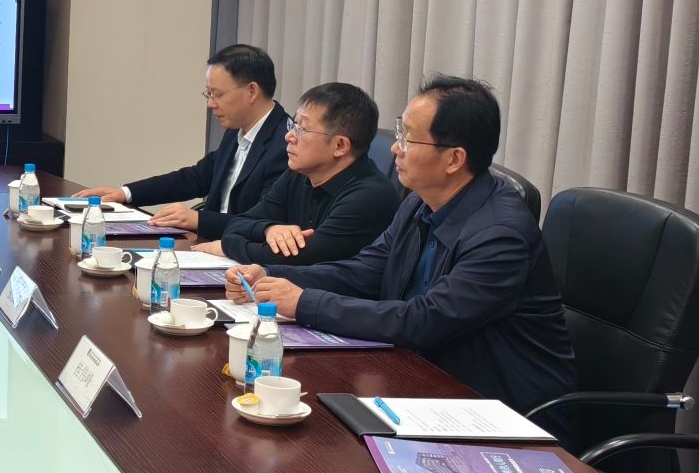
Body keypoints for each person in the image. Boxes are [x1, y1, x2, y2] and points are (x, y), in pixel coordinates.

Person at [227, 76, 575, 414]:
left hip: (498, 408)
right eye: (399, 133)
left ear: (454, 159)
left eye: (408, 139)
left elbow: (425, 320)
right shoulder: (419, 203)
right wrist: (271, 275)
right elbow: (364, 271)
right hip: (423, 381)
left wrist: (304, 302)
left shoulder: (500, 235)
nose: (395, 148)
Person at [77, 44, 289, 239]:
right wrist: (125, 193)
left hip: (242, 256)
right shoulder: (236, 130)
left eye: (217, 94)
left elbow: (263, 223)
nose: (210, 104)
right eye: (208, 94)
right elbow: (196, 178)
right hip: (208, 247)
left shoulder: (287, 145)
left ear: (251, 91)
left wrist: (199, 219)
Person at [191, 81, 400, 266]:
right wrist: (269, 229)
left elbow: (299, 259)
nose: (289, 136)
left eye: (302, 129)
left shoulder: (369, 197)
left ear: (340, 146)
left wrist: (228, 246)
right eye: (293, 124)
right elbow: (236, 225)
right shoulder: (299, 174)